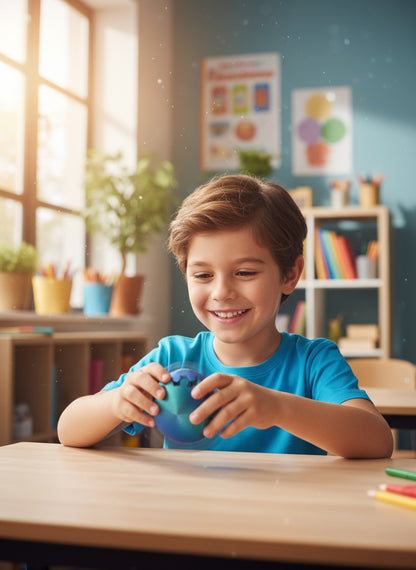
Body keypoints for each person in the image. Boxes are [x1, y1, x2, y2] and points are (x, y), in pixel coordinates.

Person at [58, 174, 393, 458]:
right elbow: (68, 430)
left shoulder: (313, 361)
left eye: (245, 272)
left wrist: (276, 407)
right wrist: (117, 402)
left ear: (290, 275)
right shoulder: (171, 358)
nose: (221, 292)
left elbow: (377, 440)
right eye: (203, 275)